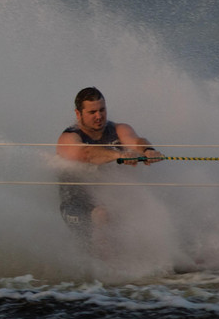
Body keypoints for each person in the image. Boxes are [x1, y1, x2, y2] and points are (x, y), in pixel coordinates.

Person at [56, 86, 162, 256]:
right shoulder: (69, 137)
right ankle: (105, 273)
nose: (99, 116)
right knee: (102, 215)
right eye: (92, 112)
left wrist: (147, 150)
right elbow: (85, 154)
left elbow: (135, 141)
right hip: (76, 205)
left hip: (109, 201)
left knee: (147, 209)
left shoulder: (119, 129)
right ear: (78, 114)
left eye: (102, 110)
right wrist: (118, 156)